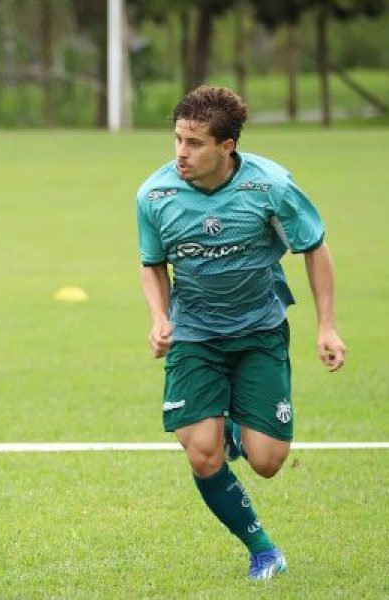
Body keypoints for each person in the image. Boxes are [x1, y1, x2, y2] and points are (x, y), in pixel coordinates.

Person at [136, 85, 347, 580]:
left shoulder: (270, 186)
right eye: (177, 140)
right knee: (203, 453)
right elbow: (151, 264)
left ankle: (235, 423)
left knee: (268, 461)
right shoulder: (155, 194)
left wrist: (327, 328)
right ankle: (262, 549)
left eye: (194, 143)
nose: (181, 153)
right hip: (195, 337)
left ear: (227, 146)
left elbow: (314, 248)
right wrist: (159, 317)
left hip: (260, 331)